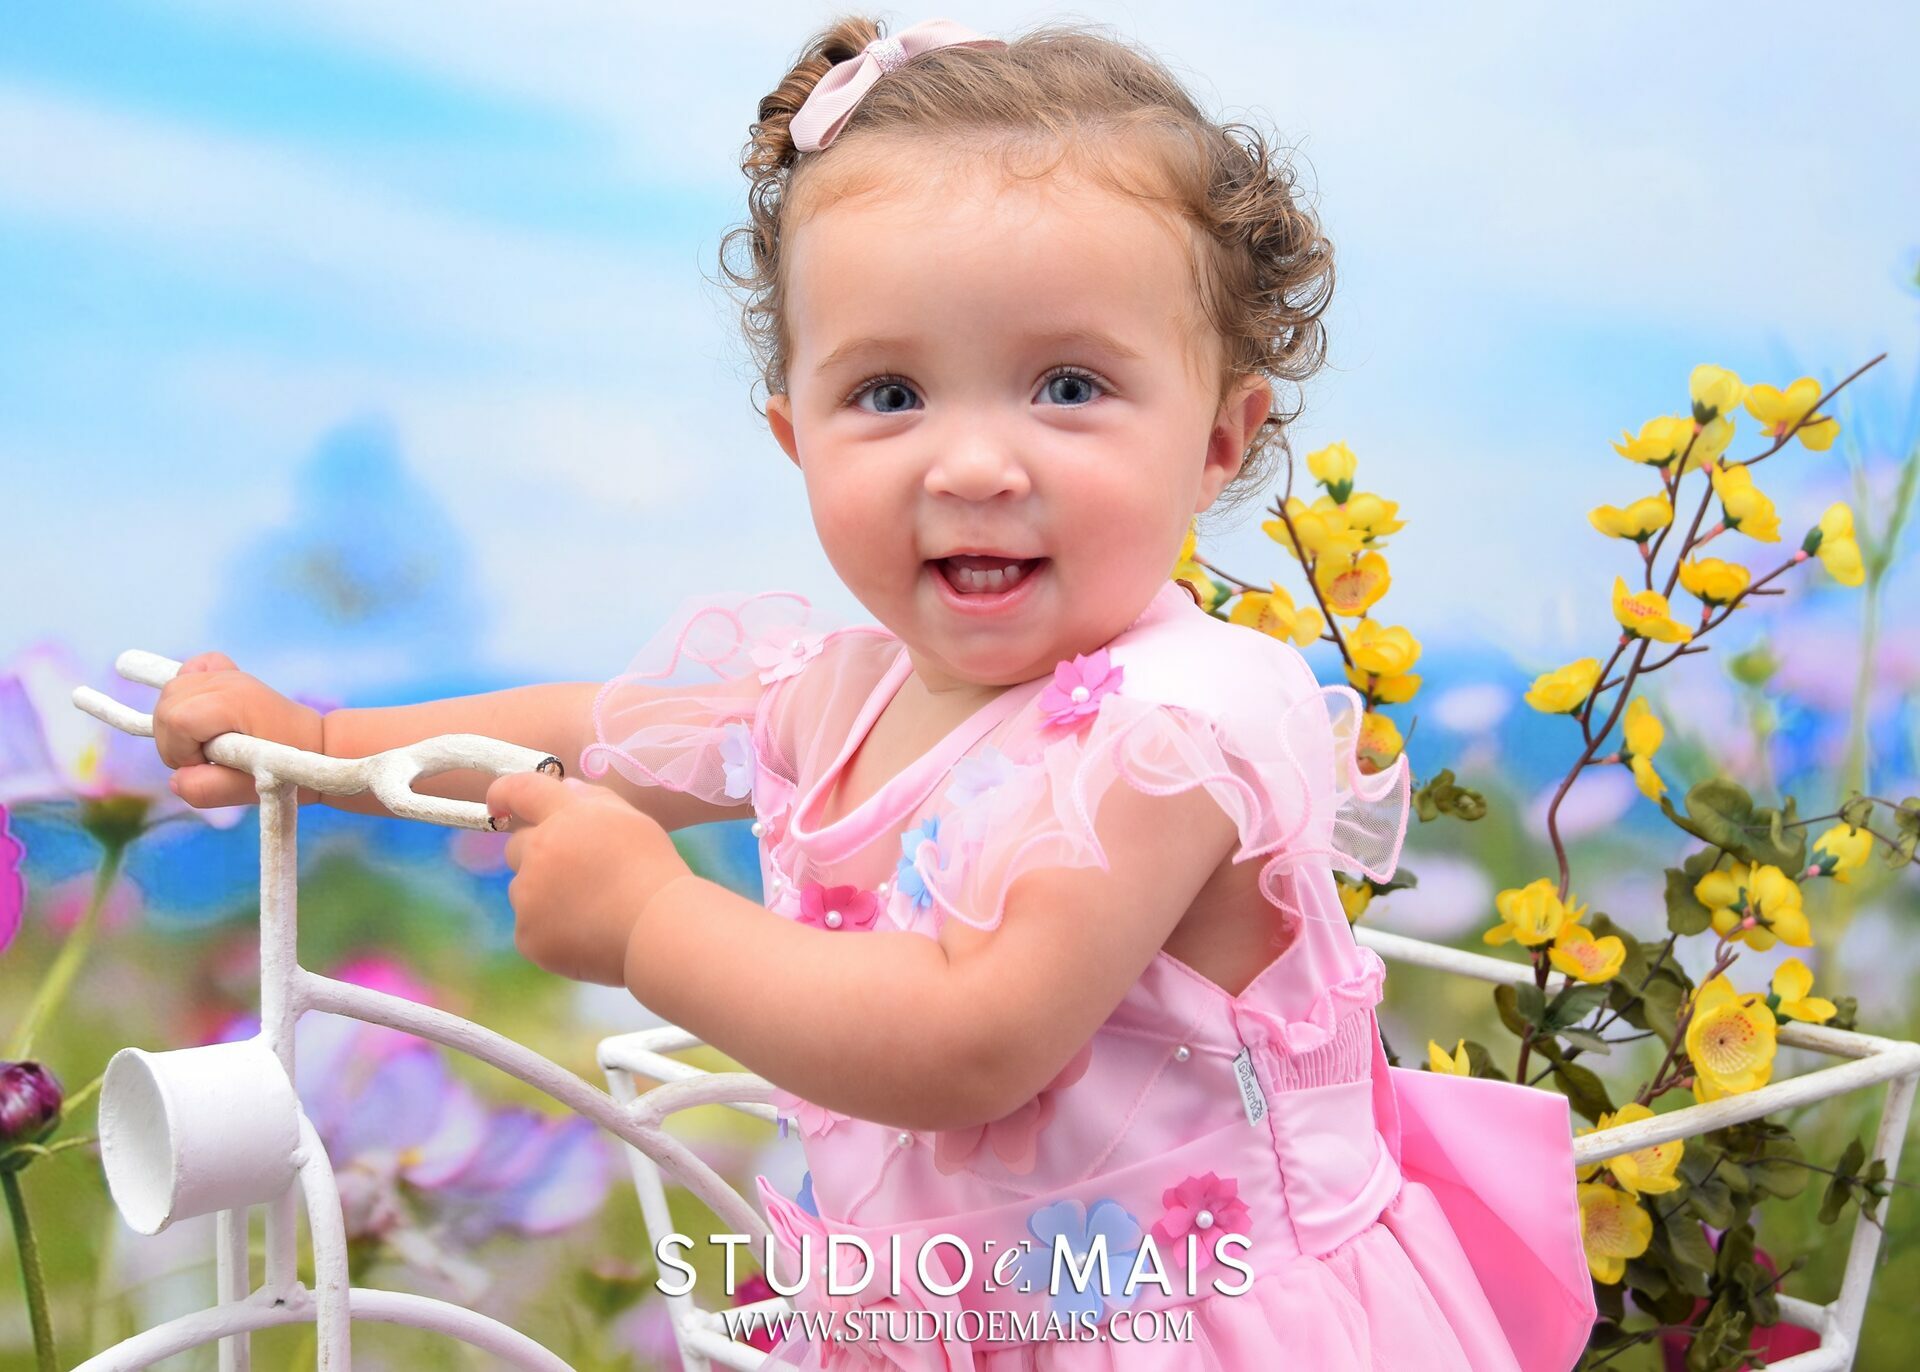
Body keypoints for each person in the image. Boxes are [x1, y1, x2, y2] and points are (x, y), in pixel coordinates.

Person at [153, 15, 1595, 1369]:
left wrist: (653, 923)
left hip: (1186, 1325)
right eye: (891, 395)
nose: (971, 463)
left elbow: (977, 1041)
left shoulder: (1176, 733)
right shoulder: (840, 694)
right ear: (798, 438)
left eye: (1069, 386)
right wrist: (322, 745)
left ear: (1220, 439)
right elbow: (584, 740)